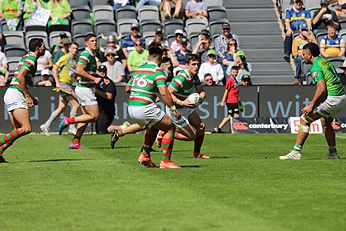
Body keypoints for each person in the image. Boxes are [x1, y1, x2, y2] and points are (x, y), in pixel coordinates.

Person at [110, 46, 183, 169]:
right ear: (161, 57)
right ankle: (166, 161)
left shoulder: (139, 70)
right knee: (170, 126)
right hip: (143, 107)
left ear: (149, 56)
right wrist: (173, 109)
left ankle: (145, 156)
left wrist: (143, 94)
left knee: (153, 126)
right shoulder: (157, 71)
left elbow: (127, 88)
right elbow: (164, 93)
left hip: (132, 106)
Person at [279, 43, 346, 160]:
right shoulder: (324, 61)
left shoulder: (315, 67)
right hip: (341, 96)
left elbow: (321, 88)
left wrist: (311, 105)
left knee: (304, 120)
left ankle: (296, 152)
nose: (302, 56)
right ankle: (333, 153)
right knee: (326, 121)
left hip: (333, 98)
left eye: (303, 54)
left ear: (309, 54)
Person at [1, 38, 45, 163]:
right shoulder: (31, 59)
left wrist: (29, 95)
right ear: (38, 48)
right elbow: (20, 76)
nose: (44, 48)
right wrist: (27, 96)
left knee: (17, 131)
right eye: (43, 46)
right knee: (26, 128)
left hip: (12, 92)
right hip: (15, 93)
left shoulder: (28, 57)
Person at [58, 34, 101, 150]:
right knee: (95, 116)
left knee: (86, 117)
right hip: (84, 89)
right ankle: (68, 120)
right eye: (92, 41)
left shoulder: (91, 55)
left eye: (96, 40)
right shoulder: (86, 54)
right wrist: (94, 79)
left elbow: (86, 71)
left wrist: (98, 77)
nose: (95, 42)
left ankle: (75, 142)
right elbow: (78, 70)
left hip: (85, 88)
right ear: (86, 43)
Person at [164, 53, 209, 159]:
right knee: (191, 136)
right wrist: (181, 103)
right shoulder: (181, 78)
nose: (196, 67)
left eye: (198, 64)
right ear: (187, 65)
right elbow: (168, 93)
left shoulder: (195, 77)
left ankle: (197, 154)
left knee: (201, 127)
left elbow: (201, 91)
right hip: (175, 109)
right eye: (193, 64)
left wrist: (201, 97)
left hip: (186, 107)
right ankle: (165, 131)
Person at [40, 42, 79, 135]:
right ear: (69, 49)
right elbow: (54, 68)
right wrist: (57, 82)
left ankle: (46, 125)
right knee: (76, 105)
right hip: (63, 84)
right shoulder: (65, 57)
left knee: (61, 108)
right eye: (73, 48)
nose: (75, 50)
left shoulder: (75, 60)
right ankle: (72, 127)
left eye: (76, 48)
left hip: (67, 84)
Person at [94, 65, 127, 134]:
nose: (102, 73)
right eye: (100, 71)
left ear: (106, 72)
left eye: (103, 71)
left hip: (107, 110)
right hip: (100, 109)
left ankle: (124, 128)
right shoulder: (96, 81)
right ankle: (123, 127)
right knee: (99, 131)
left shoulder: (109, 83)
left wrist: (96, 91)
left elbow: (109, 96)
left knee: (101, 131)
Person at [213, 66, 240, 133]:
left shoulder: (235, 80)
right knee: (232, 115)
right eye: (234, 72)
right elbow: (226, 91)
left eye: (236, 72)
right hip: (231, 101)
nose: (235, 73)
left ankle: (220, 128)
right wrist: (223, 101)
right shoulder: (230, 80)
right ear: (231, 72)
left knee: (235, 115)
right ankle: (221, 127)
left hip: (235, 100)